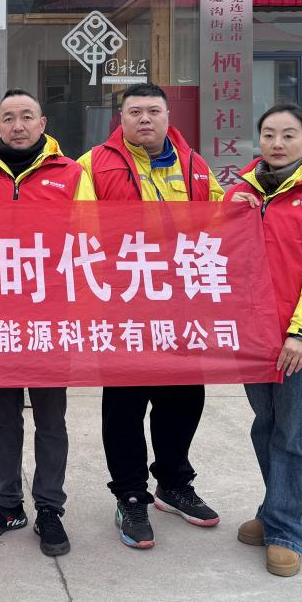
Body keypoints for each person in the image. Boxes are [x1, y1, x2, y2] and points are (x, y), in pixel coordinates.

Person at [77, 82, 223, 550]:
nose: (145, 119)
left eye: (153, 111)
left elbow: (220, 219)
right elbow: (75, 228)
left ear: (167, 116)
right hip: (123, 304)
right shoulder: (93, 165)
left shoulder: (194, 165)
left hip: (183, 305)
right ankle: (130, 495)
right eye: (135, 111)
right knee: (125, 404)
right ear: (120, 119)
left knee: (184, 397)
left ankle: (173, 483)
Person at [0, 89, 95, 558]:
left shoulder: (72, 174)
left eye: (26, 117)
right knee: (3, 417)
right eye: (8, 118)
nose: (17, 126)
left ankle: (50, 508)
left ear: (42, 123)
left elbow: (91, 239)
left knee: (51, 418)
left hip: (50, 316)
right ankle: (7, 504)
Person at [226, 103, 302, 577]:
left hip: (296, 341)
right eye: (268, 134)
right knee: (266, 425)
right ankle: (275, 508)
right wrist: (226, 218)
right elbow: (215, 258)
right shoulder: (239, 192)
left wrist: (301, 333)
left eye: (288, 135)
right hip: (251, 338)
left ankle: (289, 531)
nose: (277, 143)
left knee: (293, 432)